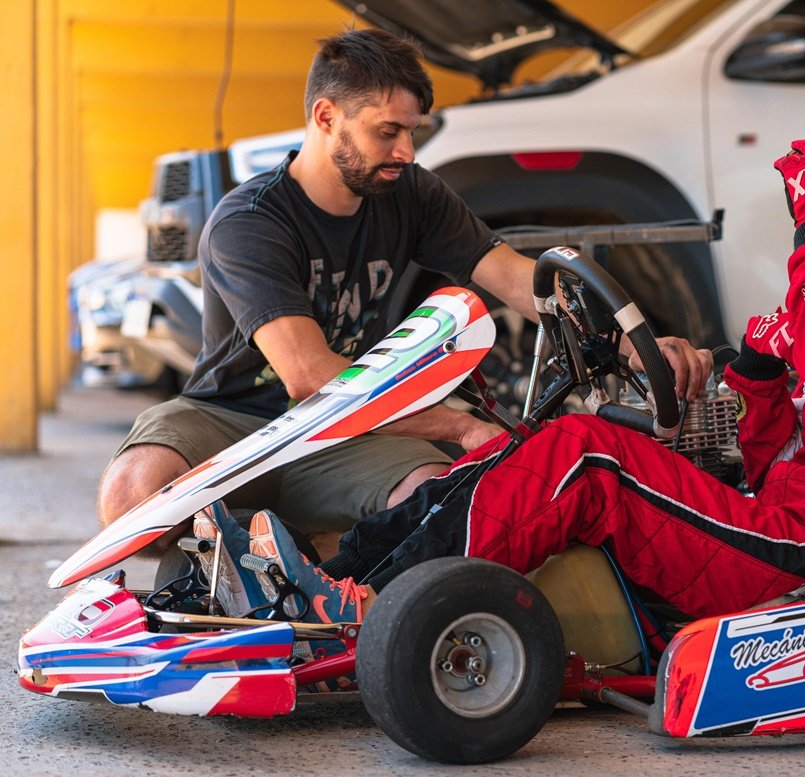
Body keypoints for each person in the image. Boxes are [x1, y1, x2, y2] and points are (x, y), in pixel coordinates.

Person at [203, 73, 805, 626]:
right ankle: (331, 583)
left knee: (589, 461)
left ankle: (375, 610)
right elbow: (774, 422)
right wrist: (729, 370)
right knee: (542, 440)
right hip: (781, 517)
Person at [97, 28, 710, 560]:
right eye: (388, 131)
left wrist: (636, 344)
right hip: (234, 421)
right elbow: (309, 376)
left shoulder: (411, 193)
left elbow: (520, 280)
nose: (407, 152)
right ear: (326, 116)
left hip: (347, 434)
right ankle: (288, 545)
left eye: (412, 132)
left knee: (438, 502)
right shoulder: (248, 222)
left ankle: (312, 555)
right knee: (133, 497)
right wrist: (458, 425)